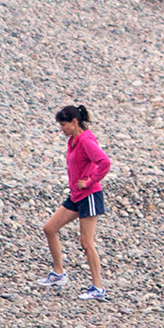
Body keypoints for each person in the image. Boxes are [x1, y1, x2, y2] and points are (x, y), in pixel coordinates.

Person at [39, 104, 110, 300]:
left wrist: (89, 181)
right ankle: (59, 274)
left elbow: (104, 163)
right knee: (49, 228)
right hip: (76, 196)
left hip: (90, 196)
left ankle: (97, 288)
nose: (61, 129)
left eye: (63, 125)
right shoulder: (73, 140)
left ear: (74, 122)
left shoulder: (86, 141)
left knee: (87, 242)